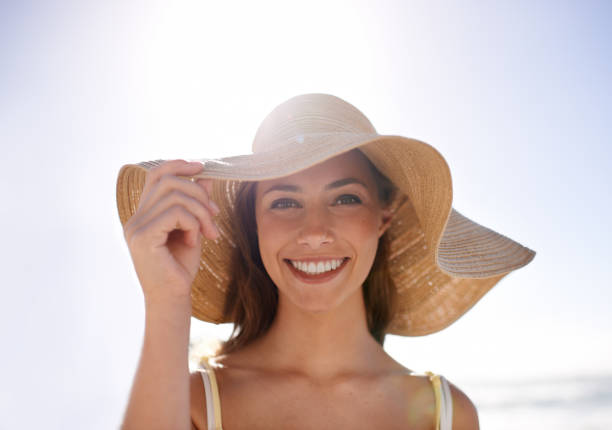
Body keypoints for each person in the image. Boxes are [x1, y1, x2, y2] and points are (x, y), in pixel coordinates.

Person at [116, 94, 535, 429]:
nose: (314, 231)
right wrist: (167, 299)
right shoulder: (196, 404)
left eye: (345, 198)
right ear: (255, 223)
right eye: (284, 201)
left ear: (382, 218)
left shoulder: (446, 415)